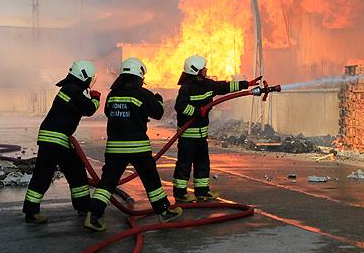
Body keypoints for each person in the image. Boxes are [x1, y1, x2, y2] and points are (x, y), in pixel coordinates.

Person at [84, 57, 182, 232]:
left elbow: (108, 113)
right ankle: (164, 212)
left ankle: (94, 215)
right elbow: (158, 113)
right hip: (138, 148)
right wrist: (158, 100)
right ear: (139, 76)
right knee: (151, 180)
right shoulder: (143, 94)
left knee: (107, 183)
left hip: (114, 148)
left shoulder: (113, 95)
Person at [23, 60, 101, 224]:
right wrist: (95, 98)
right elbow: (89, 109)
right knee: (43, 175)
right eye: (90, 78)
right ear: (84, 76)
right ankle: (31, 212)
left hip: (60, 139)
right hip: (54, 138)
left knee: (76, 171)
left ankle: (83, 206)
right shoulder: (71, 90)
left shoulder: (72, 89)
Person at [172, 55, 255, 202]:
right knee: (184, 165)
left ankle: (202, 192)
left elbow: (224, 86)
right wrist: (198, 111)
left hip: (201, 137)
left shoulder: (207, 84)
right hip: (187, 137)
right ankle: (180, 194)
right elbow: (180, 106)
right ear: (196, 70)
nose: (206, 69)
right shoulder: (186, 88)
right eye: (203, 68)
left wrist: (246, 84)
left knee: (202, 164)